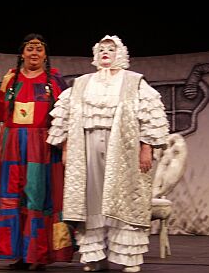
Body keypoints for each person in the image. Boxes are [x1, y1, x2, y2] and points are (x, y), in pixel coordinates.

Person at [47, 35, 169, 273]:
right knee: (91, 201)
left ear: (119, 54)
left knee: (123, 200)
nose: (105, 52)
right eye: (101, 49)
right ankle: (94, 257)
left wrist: (146, 148)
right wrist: (66, 148)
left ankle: (128, 259)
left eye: (110, 49)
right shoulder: (82, 83)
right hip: (87, 146)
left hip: (123, 149)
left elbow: (150, 115)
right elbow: (66, 117)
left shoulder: (134, 82)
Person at [0, 33, 73, 271]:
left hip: (42, 148)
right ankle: (19, 254)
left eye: (39, 49)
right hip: (13, 146)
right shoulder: (10, 79)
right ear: (22, 53)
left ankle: (38, 255)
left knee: (38, 196)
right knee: (13, 195)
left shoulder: (54, 80)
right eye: (29, 49)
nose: (34, 53)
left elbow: (65, 116)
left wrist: (63, 144)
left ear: (45, 54)